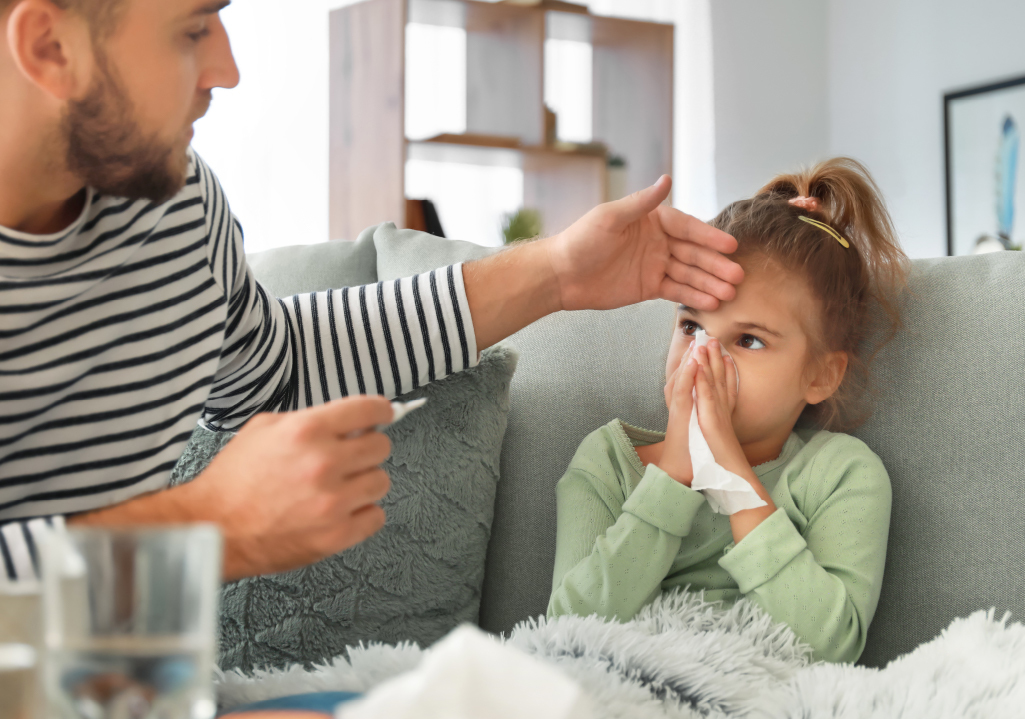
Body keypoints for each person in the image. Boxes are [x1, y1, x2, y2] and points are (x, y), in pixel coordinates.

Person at [0, 0, 743, 584]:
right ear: (49, 48)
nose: (225, 69)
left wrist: (556, 274)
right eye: (193, 28)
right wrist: (202, 532)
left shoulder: (173, 207)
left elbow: (275, 371)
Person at [547, 158, 909, 664]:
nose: (703, 357)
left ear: (821, 375)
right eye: (692, 326)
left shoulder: (840, 474)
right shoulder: (609, 461)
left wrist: (735, 482)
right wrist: (674, 474)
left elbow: (832, 648)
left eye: (749, 340)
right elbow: (562, 632)